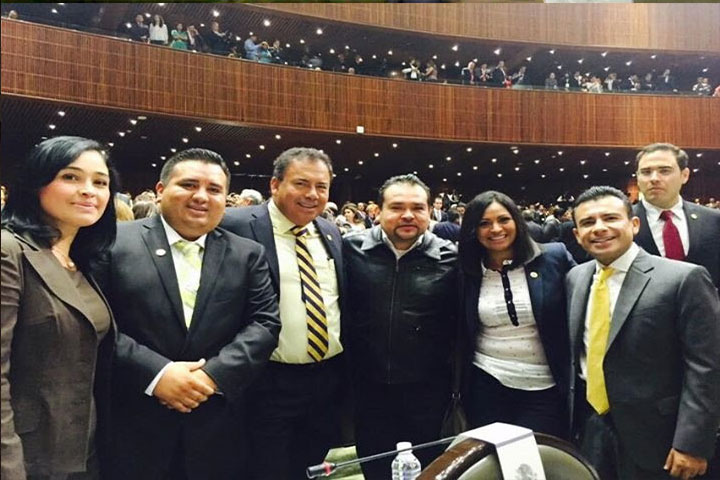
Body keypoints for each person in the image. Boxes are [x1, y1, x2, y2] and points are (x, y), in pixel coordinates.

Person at [97, 148, 281, 479]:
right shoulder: (112, 243)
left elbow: (264, 324)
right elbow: (96, 323)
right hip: (134, 421)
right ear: (160, 190)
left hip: (217, 423)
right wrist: (158, 374)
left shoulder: (247, 254)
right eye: (189, 185)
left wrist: (211, 376)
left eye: (214, 189)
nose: (201, 196)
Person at [567, 186, 720, 480]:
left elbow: (707, 366)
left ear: (634, 224)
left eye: (610, 218)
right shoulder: (576, 277)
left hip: (661, 436)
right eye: (587, 222)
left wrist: (693, 442)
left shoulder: (683, 278)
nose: (599, 228)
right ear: (576, 234)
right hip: (592, 428)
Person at [221, 148, 345, 480]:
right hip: (266, 381)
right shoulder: (234, 225)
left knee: (311, 467)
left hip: (326, 379)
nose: (312, 194)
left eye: (321, 186)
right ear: (275, 185)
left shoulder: (330, 232)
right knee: (266, 468)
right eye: (301, 183)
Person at [1, 136, 118, 480]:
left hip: (83, 453)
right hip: (25, 456)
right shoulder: (9, 250)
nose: (88, 191)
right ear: (36, 183)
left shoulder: (83, 260)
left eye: (100, 182)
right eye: (70, 177)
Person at [343, 174, 458, 479]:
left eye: (417, 208)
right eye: (397, 207)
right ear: (378, 211)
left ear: (430, 211)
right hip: (367, 387)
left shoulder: (451, 257)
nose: (408, 215)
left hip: (428, 390)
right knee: (375, 466)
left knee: (428, 468)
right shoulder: (350, 250)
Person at [459, 191, 574, 440]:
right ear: (473, 230)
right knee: (493, 458)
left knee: (537, 457)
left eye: (504, 219)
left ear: (517, 222)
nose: (496, 229)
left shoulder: (553, 258)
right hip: (486, 383)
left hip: (545, 385)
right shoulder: (466, 271)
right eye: (484, 223)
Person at [632, 143, 720, 289]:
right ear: (638, 178)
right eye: (646, 172)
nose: (654, 178)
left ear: (684, 175)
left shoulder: (713, 220)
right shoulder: (623, 222)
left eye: (664, 171)